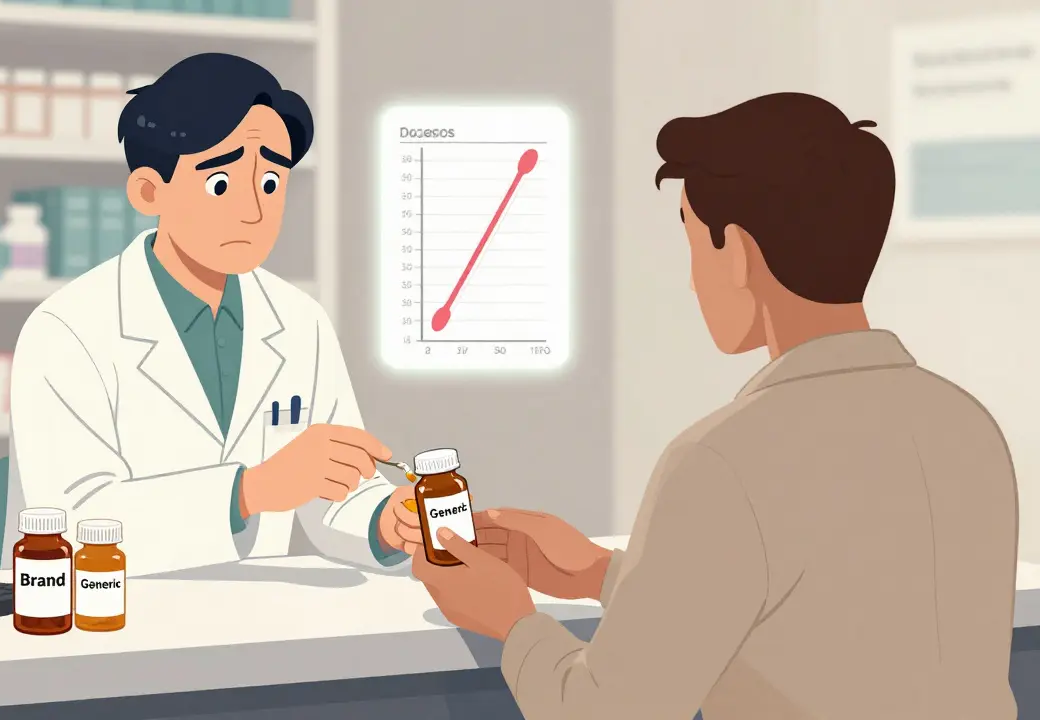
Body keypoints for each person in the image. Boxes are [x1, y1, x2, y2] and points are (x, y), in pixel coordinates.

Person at [414, 93, 1020, 720]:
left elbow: (609, 712)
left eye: (692, 240)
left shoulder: (719, 461)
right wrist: (601, 573)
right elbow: (821, 626)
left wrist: (511, 620)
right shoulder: (969, 427)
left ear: (735, 250)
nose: (692, 276)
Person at [3, 54, 421, 575]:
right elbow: (72, 523)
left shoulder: (300, 321)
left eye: (270, 183)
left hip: (251, 619)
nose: (252, 209)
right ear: (150, 191)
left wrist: (387, 520)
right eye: (220, 184)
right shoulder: (67, 328)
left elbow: (331, 496)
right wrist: (251, 491)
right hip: (101, 617)